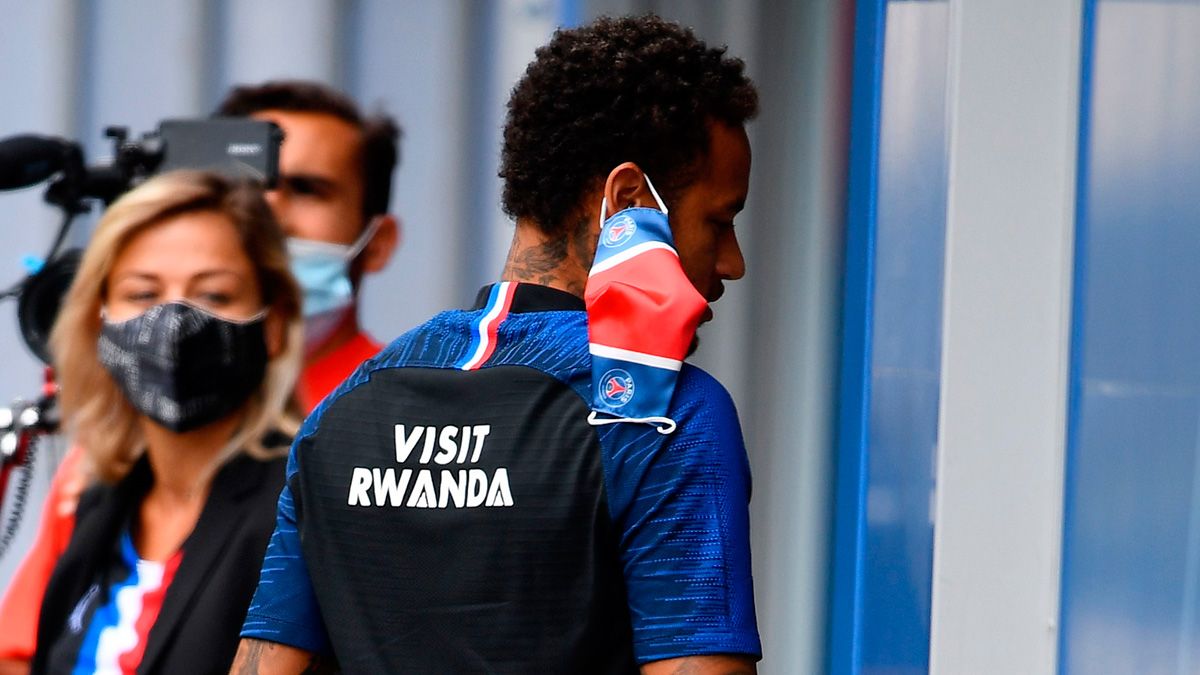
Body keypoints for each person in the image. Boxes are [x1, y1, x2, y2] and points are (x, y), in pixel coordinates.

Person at [233, 14, 761, 674]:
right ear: (628, 199)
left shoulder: (345, 406)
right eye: (720, 220)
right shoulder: (663, 412)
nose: (733, 262)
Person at [0, 81, 403, 670]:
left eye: (305, 189)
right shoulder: (98, 489)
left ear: (272, 318)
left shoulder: (384, 430)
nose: (270, 209)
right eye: (142, 292)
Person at [26, 170, 303, 673]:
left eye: (214, 296)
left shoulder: (298, 511)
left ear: (274, 326)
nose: (173, 321)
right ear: (98, 323)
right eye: (142, 293)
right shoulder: (98, 506)